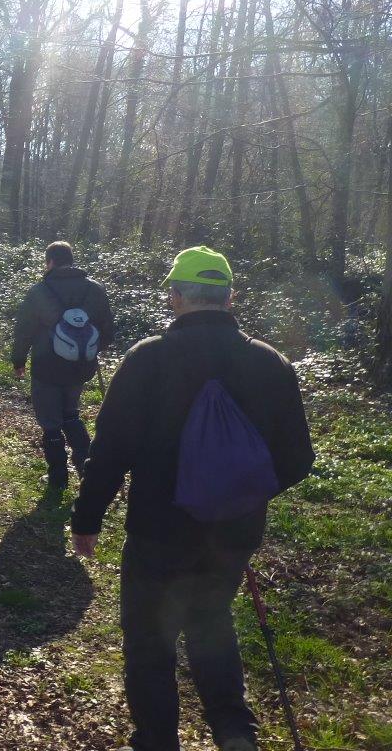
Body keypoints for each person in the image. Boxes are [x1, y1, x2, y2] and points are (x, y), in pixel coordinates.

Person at [70, 246, 315, 751]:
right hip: (233, 534)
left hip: (158, 530)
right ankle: (234, 734)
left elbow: (111, 450)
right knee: (211, 623)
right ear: (230, 298)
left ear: (177, 297)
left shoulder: (149, 359)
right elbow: (297, 460)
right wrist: (238, 492)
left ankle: (157, 741)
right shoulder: (270, 364)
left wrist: (87, 518)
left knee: (150, 641)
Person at [11, 241, 115, 491]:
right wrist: (88, 350)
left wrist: (18, 360)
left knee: (50, 422)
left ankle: (57, 478)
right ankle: (88, 471)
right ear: (72, 259)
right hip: (80, 367)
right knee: (71, 414)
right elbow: (108, 331)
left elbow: (24, 329)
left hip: (46, 366)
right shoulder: (95, 289)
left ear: (50, 262)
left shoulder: (39, 291)